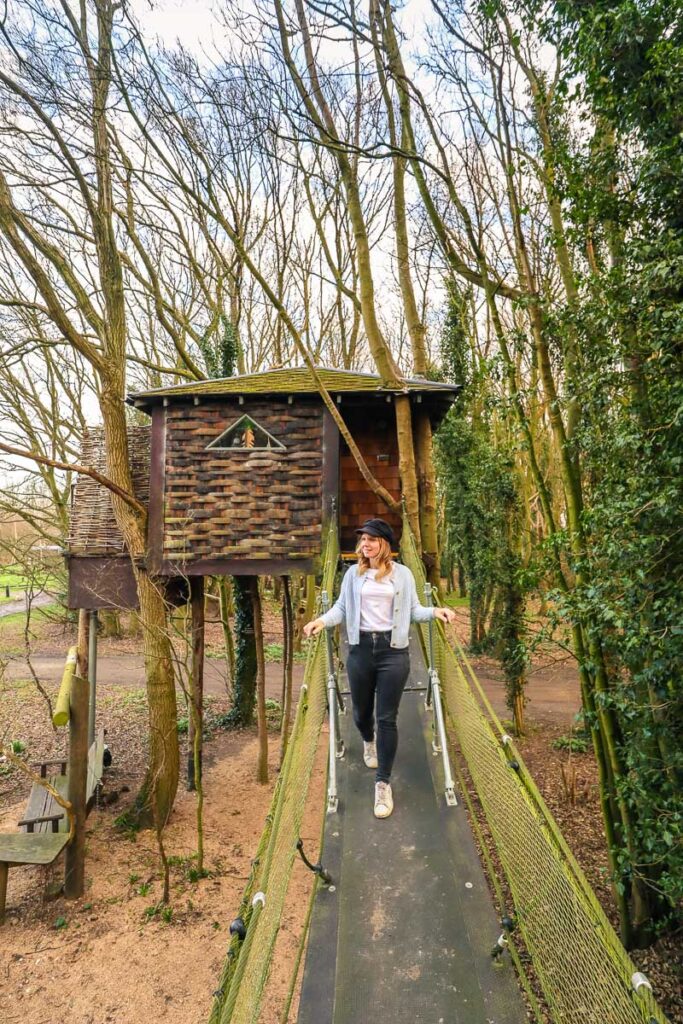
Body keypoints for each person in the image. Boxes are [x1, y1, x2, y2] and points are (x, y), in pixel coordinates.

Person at [303, 518, 456, 819]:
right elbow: (342, 608)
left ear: (384, 543)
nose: (364, 545)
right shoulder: (352, 575)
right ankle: (368, 741)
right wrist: (321, 620)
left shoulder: (403, 575)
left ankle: (382, 783)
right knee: (361, 713)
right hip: (360, 650)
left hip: (393, 652)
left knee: (387, 717)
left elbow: (413, 610)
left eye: (370, 540)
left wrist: (436, 611)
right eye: (362, 540)